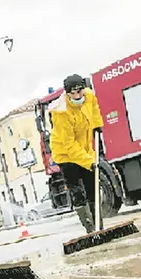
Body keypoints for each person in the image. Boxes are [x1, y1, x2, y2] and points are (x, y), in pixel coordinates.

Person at [49, 74, 104, 233]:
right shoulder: (61, 113)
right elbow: (69, 145)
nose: (78, 95)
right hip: (65, 154)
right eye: (73, 93)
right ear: (67, 93)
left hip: (84, 149)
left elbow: (94, 111)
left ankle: (100, 226)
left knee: (92, 186)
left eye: (80, 91)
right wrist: (89, 162)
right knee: (78, 191)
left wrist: (97, 124)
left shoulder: (89, 96)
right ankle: (90, 229)